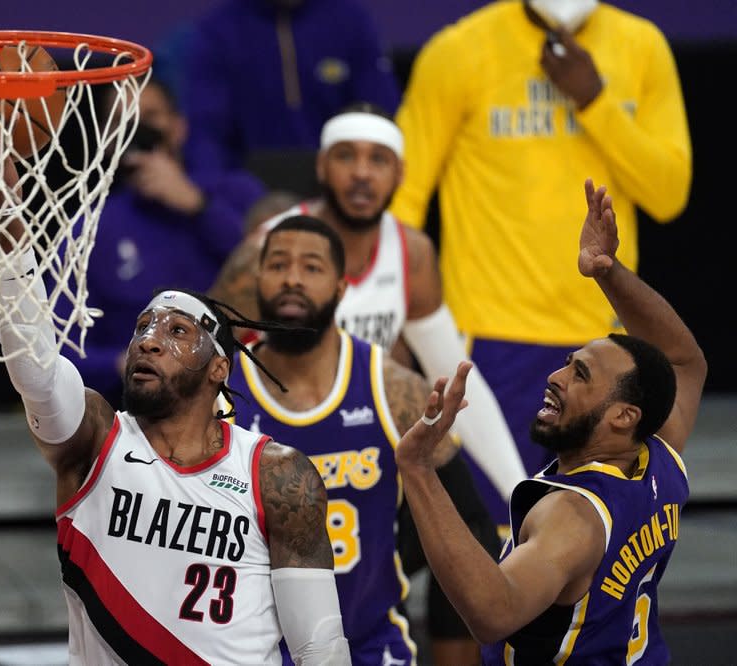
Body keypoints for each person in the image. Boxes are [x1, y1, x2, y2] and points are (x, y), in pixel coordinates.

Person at [0, 110, 352, 663]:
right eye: (143, 327)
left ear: (220, 370)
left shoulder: (277, 474)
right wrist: (6, 215)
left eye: (177, 331)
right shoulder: (94, 440)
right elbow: (37, 368)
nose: (149, 339)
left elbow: (319, 643)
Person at [209, 104, 523, 665]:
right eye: (347, 158)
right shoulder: (271, 248)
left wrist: (521, 490)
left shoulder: (412, 252)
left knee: (472, 534)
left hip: (371, 442)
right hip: (277, 438)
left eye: (378, 161)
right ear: (323, 168)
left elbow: (454, 381)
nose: (362, 173)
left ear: (399, 175)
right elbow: (206, 354)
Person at [389, 0, 693, 527]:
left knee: (600, 528)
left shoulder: (641, 46)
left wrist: (595, 99)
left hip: (606, 339)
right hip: (490, 336)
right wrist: (398, 324)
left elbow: (668, 193)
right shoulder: (459, 49)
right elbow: (403, 205)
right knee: (498, 534)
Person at [394, 179, 706, 664]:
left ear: (624, 416)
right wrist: (608, 272)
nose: (556, 376)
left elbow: (493, 612)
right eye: (568, 361)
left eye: (579, 374)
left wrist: (417, 468)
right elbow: (686, 362)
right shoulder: (659, 456)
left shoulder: (571, 519)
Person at [226, 214, 466, 664]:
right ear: (257, 278)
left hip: (371, 645)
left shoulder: (393, 388)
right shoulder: (222, 391)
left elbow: (464, 523)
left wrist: (382, 564)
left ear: (340, 287)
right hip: (250, 650)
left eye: (312, 267)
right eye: (278, 264)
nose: (293, 278)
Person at [52, 77, 268, 406]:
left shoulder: (238, 193)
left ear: (178, 127)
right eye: (122, 121)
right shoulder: (89, 229)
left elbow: (275, 273)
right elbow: (59, 354)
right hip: (141, 409)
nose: (138, 128)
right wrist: (128, 361)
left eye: (150, 116)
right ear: (108, 140)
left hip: (245, 394)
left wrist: (199, 206)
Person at [178, 0, 401, 174]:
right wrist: (222, 200)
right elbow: (205, 135)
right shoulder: (217, 31)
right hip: (248, 196)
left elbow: (381, 118)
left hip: (340, 187)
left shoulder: (352, 21)